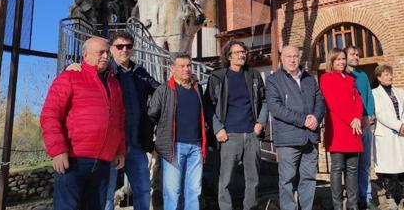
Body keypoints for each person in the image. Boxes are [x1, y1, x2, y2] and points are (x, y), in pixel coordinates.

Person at [66, 32, 160, 210]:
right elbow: (83, 78)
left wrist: (182, 81)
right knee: (106, 195)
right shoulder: (104, 72)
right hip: (110, 145)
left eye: (128, 46)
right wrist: (72, 66)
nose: (124, 50)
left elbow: (160, 91)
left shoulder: (139, 72)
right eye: (119, 46)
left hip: (135, 143)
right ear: (110, 49)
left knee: (143, 190)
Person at [40, 37, 126, 210]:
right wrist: (57, 150)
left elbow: (119, 120)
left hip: (102, 162)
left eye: (107, 52)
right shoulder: (69, 77)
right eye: (100, 52)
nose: (105, 56)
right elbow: (50, 115)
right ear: (85, 55)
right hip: (73, 160)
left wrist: (119, 150)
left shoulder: (114, 84)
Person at [204, 40, 268, 210]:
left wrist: (260, 123)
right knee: (225, 181)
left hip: (251, 134)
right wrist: (218, 129)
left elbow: (264, 100)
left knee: (253, 180)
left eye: (244, 51)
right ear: (229, 56)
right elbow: (207, 106)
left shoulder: (253, 75)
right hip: (228, 136)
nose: (242, 54)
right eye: (238, 52)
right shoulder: (218, 77)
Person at [266, 45, 325, 210]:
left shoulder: (309, 78)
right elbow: (276, 108)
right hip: (288, 140)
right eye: (288, 56)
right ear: (282, 59)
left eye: (295, 56)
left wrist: (316, 117)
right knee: (287, 180)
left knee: (308, 178)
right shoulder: (273, 80)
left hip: (310, 137)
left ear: (299, 58)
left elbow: (320, 100)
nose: (292, 60)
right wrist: (303, 120)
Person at [147, 52, 207, 210]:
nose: (186, 69)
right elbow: (151, 116)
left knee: (194, 190)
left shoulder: (197, 88)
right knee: (172, 191)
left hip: (196, 147)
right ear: (172, 68)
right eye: (182, 66)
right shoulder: (164, 90)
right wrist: (150, 143)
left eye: (188, 65)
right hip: (173, 147)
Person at [320, 48, 364, 210]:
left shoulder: (349, 79)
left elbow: (358, 101)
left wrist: (357, 118)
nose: (342, 62)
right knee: (337, 169)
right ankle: (337, 206)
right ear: (331, 61)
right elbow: (333, 104)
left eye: (343, 59)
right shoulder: (326, 78)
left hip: (354, 129)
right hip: (338, 129)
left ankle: (352, 205)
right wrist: (350, 120)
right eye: (338, 59)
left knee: (353, 169)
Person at [371, 65, 404, 210]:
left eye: (390, 74)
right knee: (388, 168)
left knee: (403, 166)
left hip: (402, 133)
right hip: (386, 134)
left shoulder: (400, 91)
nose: (389, 77)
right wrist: (398, 126)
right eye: (385, 74)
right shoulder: (374, 94)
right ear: (378, 77)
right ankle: (390, 198)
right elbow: (380, 114)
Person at [346, 46, 378, 210]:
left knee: (365, 164)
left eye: (357, 54)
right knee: (352, 166)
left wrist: (370, 115)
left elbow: (369, 97)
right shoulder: (343, 76)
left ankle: (366, 197)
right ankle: (353, 199)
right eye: (352, 54)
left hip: (366, 126)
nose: (356, 57)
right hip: (351, 127)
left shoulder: (363, 76)